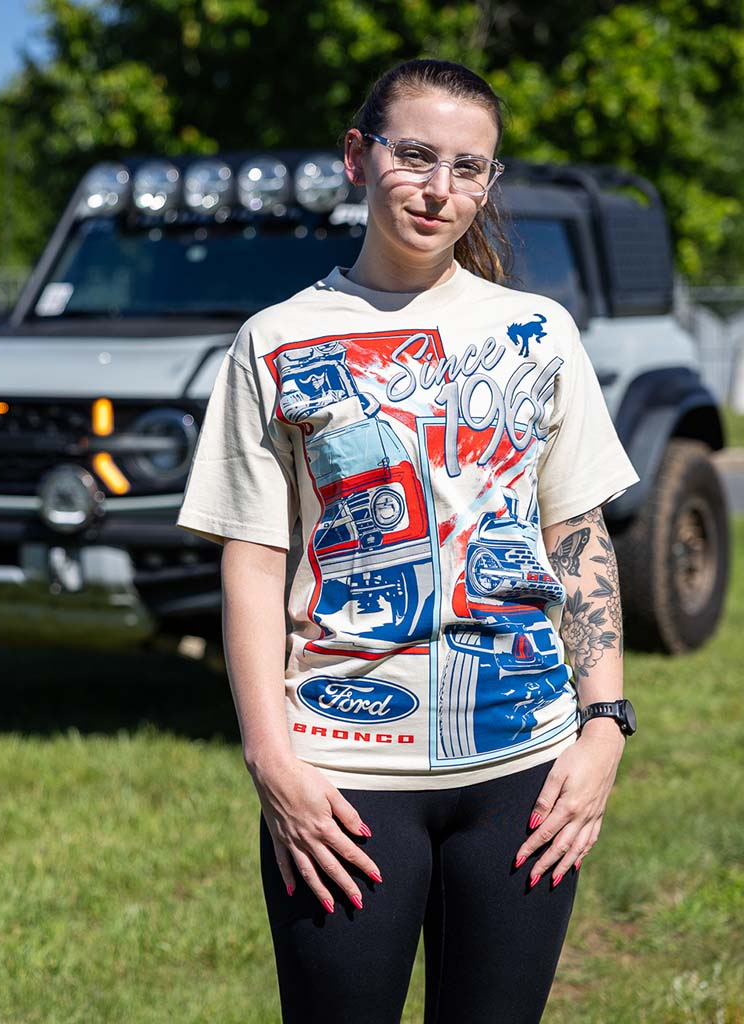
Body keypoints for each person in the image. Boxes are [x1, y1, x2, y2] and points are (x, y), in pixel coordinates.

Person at [176, 57, 641, 1024]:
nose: (440, 190)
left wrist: (604, 728)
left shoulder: (539, 332)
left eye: (470, 168)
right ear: (359, 155)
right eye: (416, 156)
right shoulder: (276, 340)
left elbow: (576, 530)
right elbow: (254, 558)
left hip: (528, 771)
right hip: (343, 780)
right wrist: (273, 760)